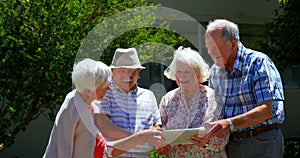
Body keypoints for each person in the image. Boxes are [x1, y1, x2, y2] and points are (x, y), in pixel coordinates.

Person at [43, 58, 164, 158]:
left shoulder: (87, 106)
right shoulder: (73, 104)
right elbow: (61, 149)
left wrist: (140, 138)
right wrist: (139, 138)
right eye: (105, 84)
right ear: (91, 87)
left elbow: (103, 150)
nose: (109, 88)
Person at [204, 19, 285, 158]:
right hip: (231, 144)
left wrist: (229, 123)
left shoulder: (258, 62)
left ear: (233, 44)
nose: (211, 53)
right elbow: (214, 111)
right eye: (208, 48)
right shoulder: (214, 72)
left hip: (262, 140)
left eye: (215, 47)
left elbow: (267, 110)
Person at [156, 47, 228, 158]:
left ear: (198, 73)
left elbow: (225, 135)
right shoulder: (168, 99)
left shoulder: (213, 98)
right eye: (178, 72)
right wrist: (161, 145)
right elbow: (159, 131)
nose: (182, 77)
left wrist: (207, 143)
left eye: (187, 72)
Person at [94, 47, 162, 157]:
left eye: (132, 71)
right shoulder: (104, 93)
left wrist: (157, 138)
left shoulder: (149, 96)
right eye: (122, 71)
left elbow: (156, 126)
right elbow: (104, 127)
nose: (127, 76)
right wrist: (140, 138)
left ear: (139, 72)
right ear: (112, 72)